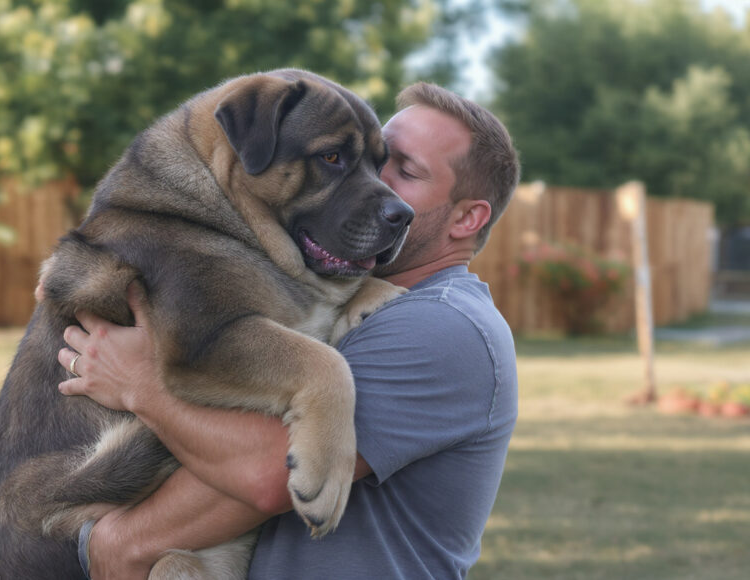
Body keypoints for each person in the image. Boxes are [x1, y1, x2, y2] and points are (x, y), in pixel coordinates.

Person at [58, 81, 521, 580]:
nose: (379, 185)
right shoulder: (352, 295)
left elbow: (266, 474)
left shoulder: (441, 327)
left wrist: (141, 386)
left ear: (467, 218)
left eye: (403, 171)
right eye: (373, 159)